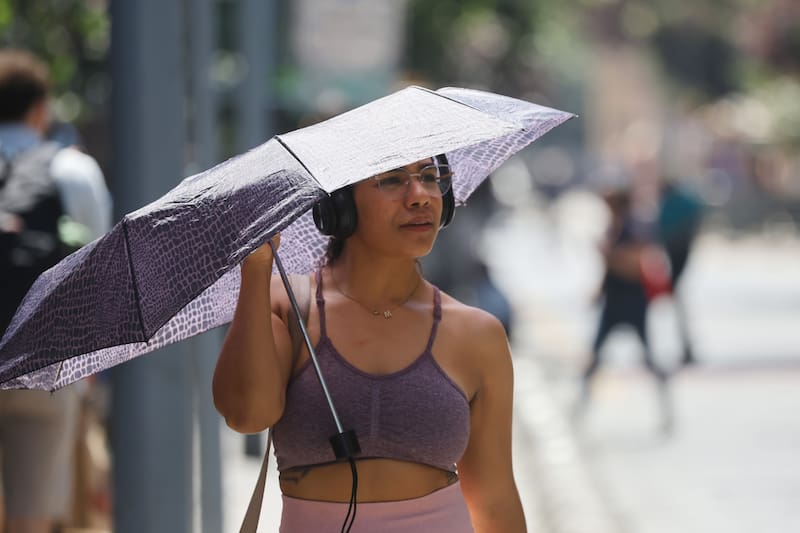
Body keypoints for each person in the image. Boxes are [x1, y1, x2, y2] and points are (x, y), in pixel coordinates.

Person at [213, 157, 525, 532]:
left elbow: (494, 499)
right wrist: (257, 266)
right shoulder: (287, 308)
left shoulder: (477, 334)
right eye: (392, 180)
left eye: (429, 177)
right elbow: (246, 416)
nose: (420, 196)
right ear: (339, 204)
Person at [0, 48, 112, 533]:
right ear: (40, 109)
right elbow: (97, 270)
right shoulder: (73, 170)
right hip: (44, 365)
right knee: (32, 517)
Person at [576, 186, 672, 431]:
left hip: (633, 302)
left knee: (648, 358)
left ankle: (665, 408)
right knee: (595, 356)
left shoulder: (633, 228)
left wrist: (609, 256)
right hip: (613, 302)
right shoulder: (614, 228)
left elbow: (636, 264)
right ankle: (579, 409)